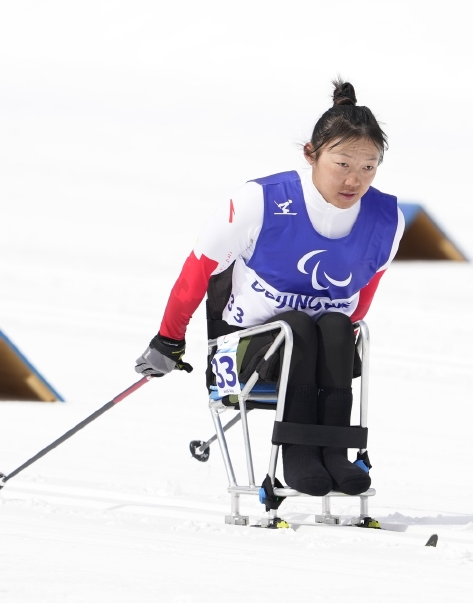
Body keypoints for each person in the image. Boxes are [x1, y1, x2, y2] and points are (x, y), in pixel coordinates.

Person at [135, 79, 404, 497]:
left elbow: (362, 300)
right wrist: (168, 340)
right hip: (247, 353)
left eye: (369, 166)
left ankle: (333, 454)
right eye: (342, 164)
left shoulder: (387, 219)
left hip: (320, 356)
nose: (355, 180)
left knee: (336, 326)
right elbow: (196, 272)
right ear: (310, 155)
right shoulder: (259, 201)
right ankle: (296, 455)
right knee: (295, 325)